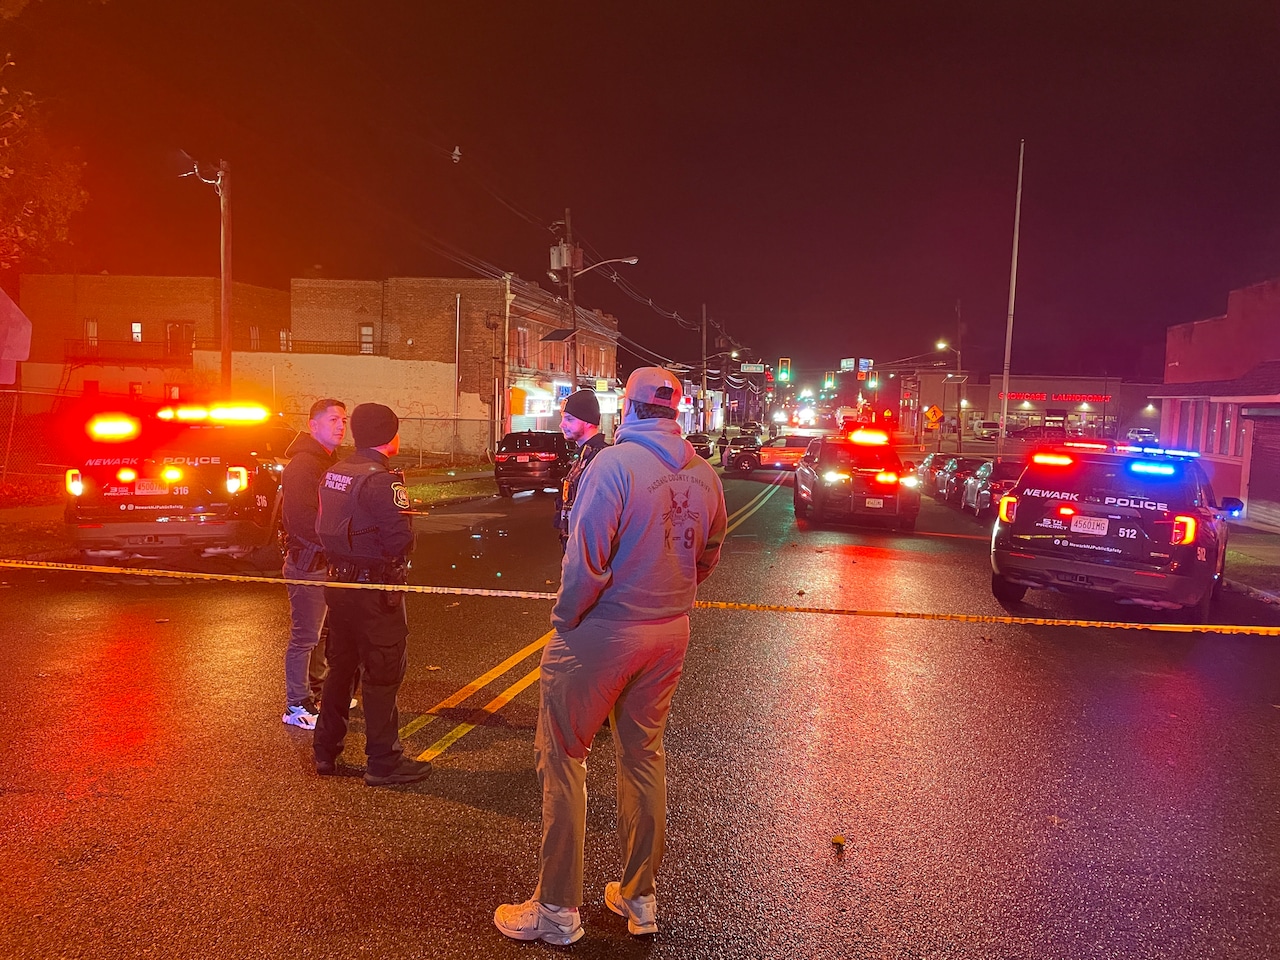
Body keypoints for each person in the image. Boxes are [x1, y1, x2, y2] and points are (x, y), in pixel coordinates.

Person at [495, 367, 728, 945]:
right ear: (677, 411)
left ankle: (556, 909)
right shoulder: (704, 475)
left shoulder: (614, 466)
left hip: (604, 630)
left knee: (563, 759)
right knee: (644, 756)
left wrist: (565, 620)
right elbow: (710, 552)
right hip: (669, 630)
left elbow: (585, 561)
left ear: (627, 408)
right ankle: (638, 897)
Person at [313, 402, 431, 787]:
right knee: (382, 672)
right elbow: (400, 539)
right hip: (373, 590)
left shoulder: (336, 471)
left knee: (340, 669)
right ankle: (383, 761)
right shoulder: (382, 480)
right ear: (388, 435)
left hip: (339, 585)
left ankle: (325, 751)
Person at [280, 398, 347, 729]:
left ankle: (316, 692)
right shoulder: (303, 466)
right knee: (305, 636)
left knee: (321, 634)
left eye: (344, 420)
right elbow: (303, 521)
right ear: (313, 425)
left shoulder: (327, 462)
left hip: (325, 562)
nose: (340, 425)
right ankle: (295, 704)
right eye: (333, 419)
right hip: (307, 563)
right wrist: (337, 543)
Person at [553, 389, 609, 552]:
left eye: (569, 419)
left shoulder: (600, 457)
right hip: (575, 548)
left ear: (588, 422)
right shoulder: (582, 456)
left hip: (588, 552)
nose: (562, 424)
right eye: (563, 418)